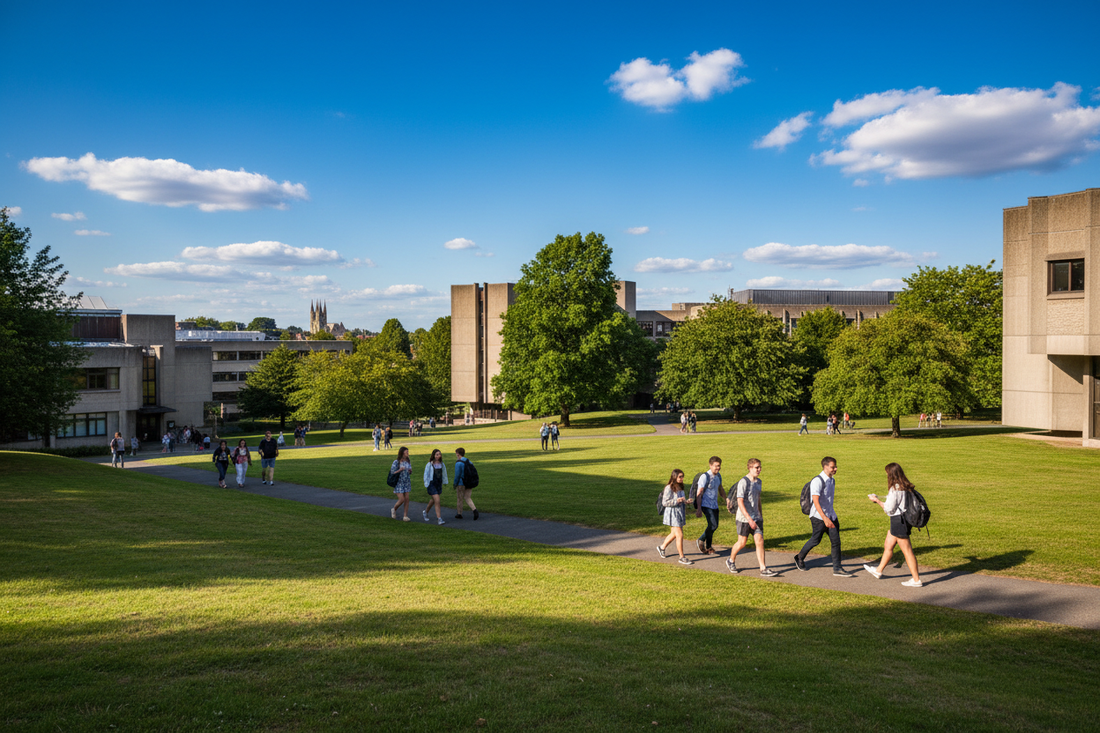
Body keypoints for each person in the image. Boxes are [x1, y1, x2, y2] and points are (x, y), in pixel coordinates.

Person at [793, 456, 854, 577]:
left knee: (836, 542)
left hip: (831, 515)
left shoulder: (832, 480)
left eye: (835, 466)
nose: (835, 469)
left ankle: (837, 568)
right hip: (818, 517)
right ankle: (799, 557)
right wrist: (824, 518)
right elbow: (815, 501)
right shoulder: (818, 481)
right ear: (825, 467)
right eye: (832, 467)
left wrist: (831, 516)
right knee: (816, 540)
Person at [865, 463, 924, 587]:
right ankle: (878, 571)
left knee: (907, 551)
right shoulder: (905, 486)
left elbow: (889, 509)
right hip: (904, 520)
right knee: (888, 545)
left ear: (891, 474)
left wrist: (877, 501)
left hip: (898, 521)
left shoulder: (895, 488)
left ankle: (916, 579)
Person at [726, 458, 776, 576]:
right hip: (744, 518)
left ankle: (763, 569)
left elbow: (758, 499)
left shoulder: (759, 482)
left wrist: (760, 515)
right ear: (749, 468)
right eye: (756, 467)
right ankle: (731, 560)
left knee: (759, 541)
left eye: (760, 467)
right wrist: (749, 519)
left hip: (756, 517)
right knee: (742, 542)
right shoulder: (744, 482)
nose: (759, 469)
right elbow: (740, 502)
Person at [657, 469, 693, 565]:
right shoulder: (669, 488)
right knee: (679, 534)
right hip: (672, 513)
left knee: (674, 533)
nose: (682, 478)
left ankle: (662, 547)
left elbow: (682, 499)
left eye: (682, 476)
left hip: (679, 512)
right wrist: (677, 501)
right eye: (680, 476)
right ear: (675, 477)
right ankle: (682, 557)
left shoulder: (680, 487)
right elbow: (665, 502)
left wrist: (686, 501)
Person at [693, 456, 725, 555]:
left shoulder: (718, 476)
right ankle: (701, 540)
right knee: (713, 525)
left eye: (719, 466)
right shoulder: (705, 477)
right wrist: (698, 509)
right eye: (716, 466)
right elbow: (699, 493)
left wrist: (726, 499)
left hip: (714, 505)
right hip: (705, 505)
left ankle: (709, 546)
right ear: (710, 465)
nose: (718, 468)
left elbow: (720, 489)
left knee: (714, 526)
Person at [421, 448, 448, 525]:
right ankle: (439, 519)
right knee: (437, 500)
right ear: (433, 455)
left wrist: (445, 481)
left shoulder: (442, 464)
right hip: (431, 484)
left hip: (438, 484)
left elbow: (444, 473)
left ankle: (425, 512)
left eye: (439, 454)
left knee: (434, 500)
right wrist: (426, 483)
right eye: (437, 454)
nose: (438, 456)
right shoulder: (429, 464)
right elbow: (426, 475)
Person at [453, 447, 478, 520]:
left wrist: (455, 484)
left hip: (461, 483)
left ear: (458, 454)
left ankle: (459, 513)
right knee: (467, 497)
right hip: (469, 482)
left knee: (459, 498)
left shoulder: (458, 463)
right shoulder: (468, 461)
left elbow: (457, 475)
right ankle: (474, 510)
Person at [389, 446, 413, 521]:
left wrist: (410, 471)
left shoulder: (408, 461)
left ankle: (405, 516)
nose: (408, 453)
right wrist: (400, 470)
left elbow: (409, 471)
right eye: (406, 452)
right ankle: (394, 509)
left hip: (406, 481)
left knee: (407, 499)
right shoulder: (396, 462)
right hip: (399, 482)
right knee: (401, 499)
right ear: (402, 453)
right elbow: (392, 472)